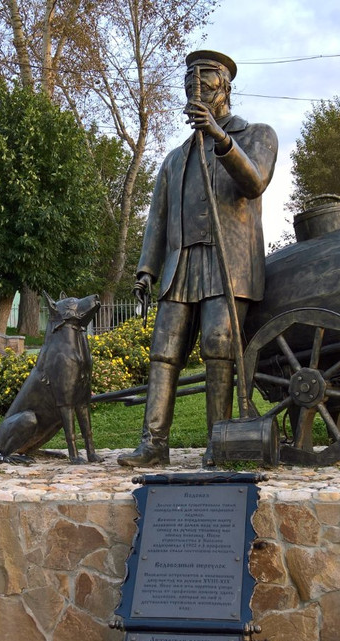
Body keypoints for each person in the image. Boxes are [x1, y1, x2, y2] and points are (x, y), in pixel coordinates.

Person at [118, 50, 278, 468]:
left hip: (230, 262)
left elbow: (255, 181)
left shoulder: (256, 134)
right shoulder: (175, 159)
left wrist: (221, 140)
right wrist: (146, 269)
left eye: (205, 83)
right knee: (163, 351)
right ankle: (153, 443)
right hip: (180, 265)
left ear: (225, 88)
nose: (196, 90)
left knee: (218, 346)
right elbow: (158, 218)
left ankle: (219, 441)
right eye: (190, 85)